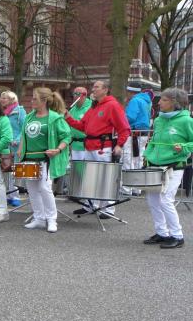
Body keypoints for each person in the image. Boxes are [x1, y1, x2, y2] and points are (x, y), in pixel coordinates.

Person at [64, 79, 131, 217]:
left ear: (105, 90)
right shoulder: (94, 107)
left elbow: (124, 128)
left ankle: (108, 209)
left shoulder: (112, 105)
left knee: (105, 177)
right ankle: (90, 205)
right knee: (90, 178)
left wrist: (119, 144)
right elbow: (83, 126)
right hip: (90, 146)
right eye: (93, 87)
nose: (93, 89)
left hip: (103, 147)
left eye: (97, 87)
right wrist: (68, 118)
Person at [142, 88, 193, 249]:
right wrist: (147, 155)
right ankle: (162, 233)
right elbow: (154, 140)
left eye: (164, 100)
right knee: (152, 200)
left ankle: (177, 236)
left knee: (166, 200)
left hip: (174, 166)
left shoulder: (186, 121)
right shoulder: (158, 119)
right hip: (154, 165)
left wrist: (184, 147)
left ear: (174, 103)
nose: (159, 102)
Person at [19, 88, 72, 232]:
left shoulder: (55, 118)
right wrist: (21, 149)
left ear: (44, 101)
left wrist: (58, 150)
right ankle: (39, 218)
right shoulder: (29, 117)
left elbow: (67, 136)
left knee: (45, 188)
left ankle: (51, 219)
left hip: (46, 160)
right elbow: (24, 135)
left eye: (34, 99)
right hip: (29, 158)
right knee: (32, 190)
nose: (31, 101)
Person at [122, 86, 153, 196]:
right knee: (138, 159)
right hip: (143, 133)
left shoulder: (134, 101)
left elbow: (130, 117)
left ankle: (127, 188)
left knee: (127, 157)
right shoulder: (147, 101)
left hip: (133, 133)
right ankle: (137, 188)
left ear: (130, 92)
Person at [1, 91, 26, 207]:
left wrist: (16, 139)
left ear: (12, 99)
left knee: (16, 172)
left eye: (4, 98)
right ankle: (8, 195)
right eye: (1, 98)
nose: (2, 100)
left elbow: (24, 128)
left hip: (17, 146)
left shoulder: (20, 111)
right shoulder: (3, 113)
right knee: (6, 171)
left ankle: (15, 196)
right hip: (6, 146)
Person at [67, 87, 93, 161]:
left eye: (78, 94)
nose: (75, 96)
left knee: (84, 167)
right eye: (74, 94)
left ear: (84, 95)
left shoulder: (90, 107)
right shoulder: (72, 109)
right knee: (75, 167)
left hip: (86, 146)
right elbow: (69, 127)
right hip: (74, 145)